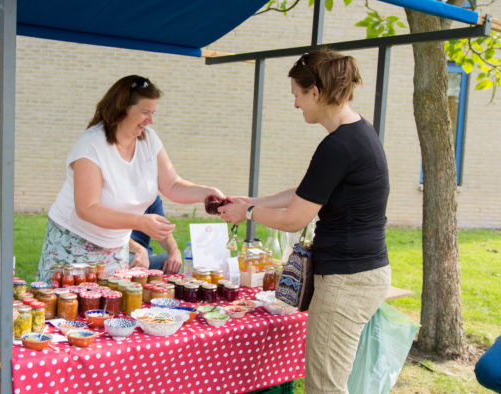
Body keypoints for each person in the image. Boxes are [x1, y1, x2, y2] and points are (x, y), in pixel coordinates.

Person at [218, 49, 391, 394]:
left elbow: (295, 217)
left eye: (297, 95)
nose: (296, 104)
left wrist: (247, 214)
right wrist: (254, 201)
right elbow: (307, 190)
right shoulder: (356, 134)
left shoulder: (339, 145)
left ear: (316, 93)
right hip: (357, 275)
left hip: (347, 280)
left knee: (324, 387)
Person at [37, 75, 224, 283]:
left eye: (153, 113)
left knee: (110, 311)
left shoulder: (149, 140)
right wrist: (140, 222)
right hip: (72, 246)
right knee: (66, 309)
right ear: (122, 107)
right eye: (145, 112)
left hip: (116, 249)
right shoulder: (91, 145)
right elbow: (87, 208)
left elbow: (172, 184)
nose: (150, 120)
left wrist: (207, 192)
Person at [129, 195, 182, 274]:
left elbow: (163, 231)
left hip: (144, 256)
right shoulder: (118, 198)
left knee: (173, 262)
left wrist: (174, 251)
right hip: (120, 253)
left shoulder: (152, 199)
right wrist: (139, 250)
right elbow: (113, 235)